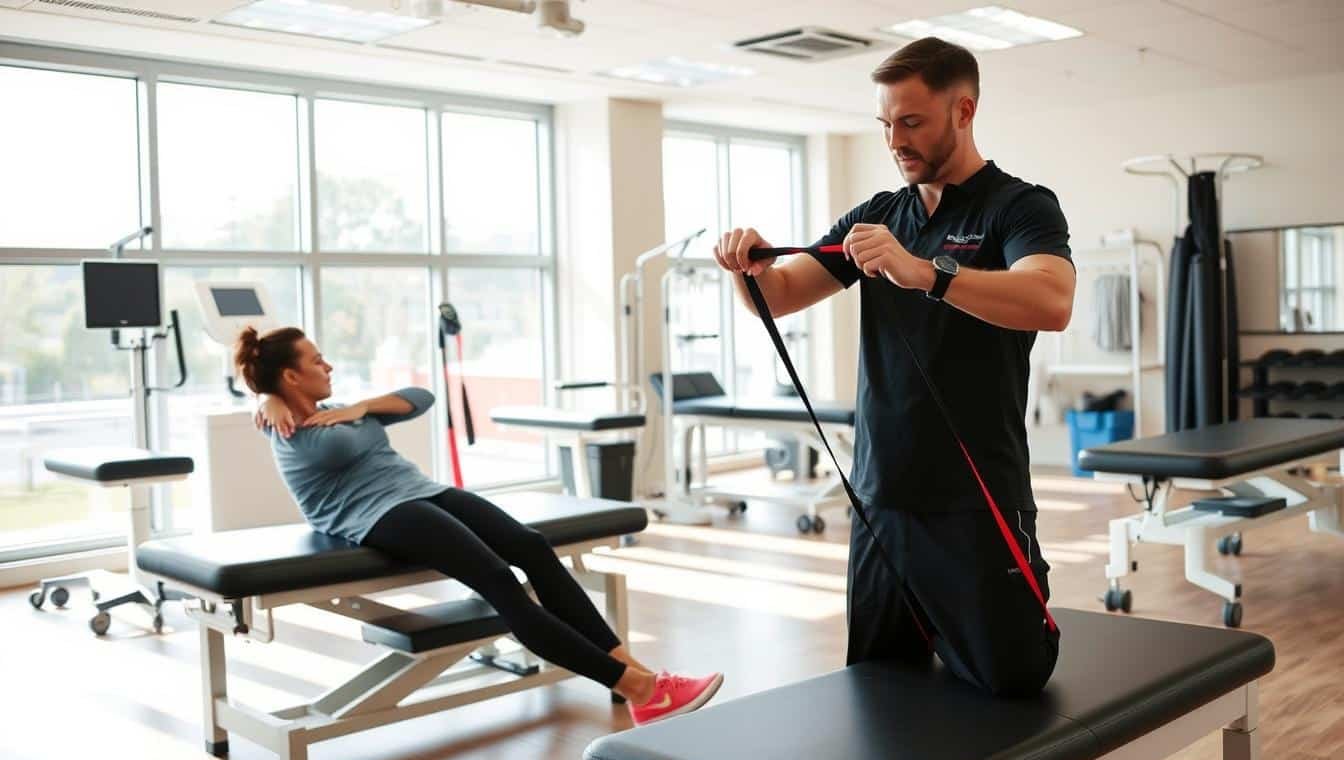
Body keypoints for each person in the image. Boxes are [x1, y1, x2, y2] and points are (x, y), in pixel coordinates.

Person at [713, 37, 1076, 697]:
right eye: (885, 123)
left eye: (911, 122)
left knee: (1014, 683)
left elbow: (1051, 300)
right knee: (883, 689)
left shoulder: (1017, 206)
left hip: (974, 500)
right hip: (881, 499)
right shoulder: (878, 216)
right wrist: (748, 267)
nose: (894, 140)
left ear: (963, 111)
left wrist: (925, 273)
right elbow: (781, 294)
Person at [234, 325, 722, 725]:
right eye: (317, 361)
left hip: (419, 491)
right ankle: (638, 688)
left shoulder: (338, 413)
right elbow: (347, 444)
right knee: (498, 580)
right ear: (290, 377)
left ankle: (641, 678)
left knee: (531, 546)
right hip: (375, 514)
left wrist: (362, 407)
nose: (329, 367)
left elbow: (421, 397)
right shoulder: (289, 429)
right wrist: (268, 401)